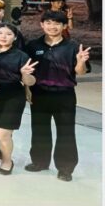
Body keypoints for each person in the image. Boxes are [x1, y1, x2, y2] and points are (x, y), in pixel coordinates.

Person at [24, 10, 91, 181]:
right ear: (42, 25)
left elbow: (80, 72)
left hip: (64, 95)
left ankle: (65, 168)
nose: (52, 26)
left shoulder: (73, 47)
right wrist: (27, 90)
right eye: (48, 23)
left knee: (66, 132)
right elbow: (26, 71)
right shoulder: (33, 46)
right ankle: (40, 162)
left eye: (56, 23)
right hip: (39, 94)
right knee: (39, 130)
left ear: (64, 26)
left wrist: (81, 62)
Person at [0, 23, 37, 175]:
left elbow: (30, 81)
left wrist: (25, 74)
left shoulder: (21, 56)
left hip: (11, 96)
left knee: (2, 132)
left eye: (9, 34)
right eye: (0, 33)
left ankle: (6, 160)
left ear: (15, 37)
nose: (4, 37)